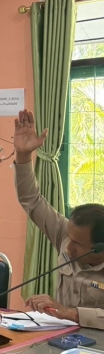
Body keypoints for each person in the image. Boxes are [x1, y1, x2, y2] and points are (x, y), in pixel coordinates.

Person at [13, 109, 104, 328]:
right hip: (60, 338)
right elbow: (31, 200)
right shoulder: (66, 234)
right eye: (69, 238)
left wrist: (71, 313)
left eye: (78, 244)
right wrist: (23, 156)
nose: (68, 247)